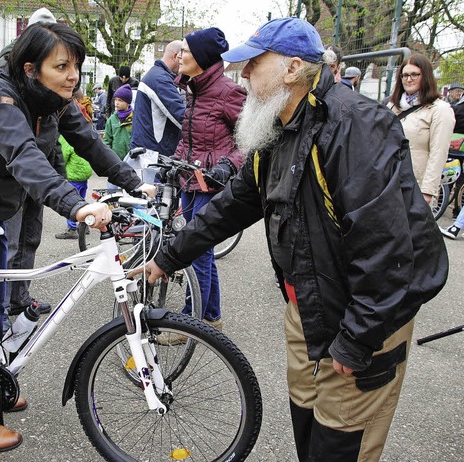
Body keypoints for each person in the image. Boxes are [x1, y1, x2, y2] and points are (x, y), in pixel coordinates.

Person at [139, 17, 448, 462]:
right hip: (306, 305)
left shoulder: (354, 124)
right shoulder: (278, 125)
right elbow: (233, 204)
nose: (242, 75)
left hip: (360, 314)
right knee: (307, 422)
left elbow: (387, 247)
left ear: (292, 68)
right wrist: (168, 257)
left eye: (252, 65)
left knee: (340, 442)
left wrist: (359, 337)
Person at [0, 22, 154, 452]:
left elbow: (90, 143)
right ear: (31, 68)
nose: (73, 76)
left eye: (77, 67)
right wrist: (77, 205)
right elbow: (24, 157)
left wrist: (133, 183)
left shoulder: (53, 102)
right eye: (62, 66)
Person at [170, 27, 246, 332]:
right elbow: (189, 138)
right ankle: (211, 315)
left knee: (196, 250)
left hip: (211, 184)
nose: (179, 56)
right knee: (202, 252)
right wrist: (174, 163)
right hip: (189, 181)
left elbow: (253, 139)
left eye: (185, 51)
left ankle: (193, 322)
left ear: (201, 57)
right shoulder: (193, 89)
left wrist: (229, 165)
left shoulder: (229, 92)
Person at [0, 7, 61, 320]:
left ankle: (20, 297)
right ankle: (2, 304)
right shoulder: (8, 69)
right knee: (10, 240)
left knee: (30, 237)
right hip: (14, 171)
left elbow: (67, 127)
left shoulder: (55, 73)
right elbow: (14, 139)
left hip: (40, 168)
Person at [387, 54, 455, 205]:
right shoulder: (392, 106)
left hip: (415, 187)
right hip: (388, 183)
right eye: (405, 75)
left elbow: (439, 153)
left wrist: (427, 191)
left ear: (425, 76)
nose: (408, 79)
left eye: (414, 74)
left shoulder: (440, 110)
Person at [131, 40, 184, 156]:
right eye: (184, 58)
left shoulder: (156, 75)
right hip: (154, 155)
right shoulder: (160, 80)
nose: (184, 63)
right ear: (176, 56)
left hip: (147, 149)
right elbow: (180, 115)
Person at [54, 135, 93, 239]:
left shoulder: (66, 137)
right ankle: (84, 225)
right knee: (81, 200)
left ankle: (72, 229)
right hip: (84, 173)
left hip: (73, 174)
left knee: (70, 201)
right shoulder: (81, 133)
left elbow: (63, 156)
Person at [103, 83, 134, 162]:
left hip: (131, 160)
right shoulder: (112, 120)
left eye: (120, 100)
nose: (116, 103)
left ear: (127, 102)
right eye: (115, 99)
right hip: (115, 161)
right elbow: (107, 140)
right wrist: (108, 158)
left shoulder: (135, 119)